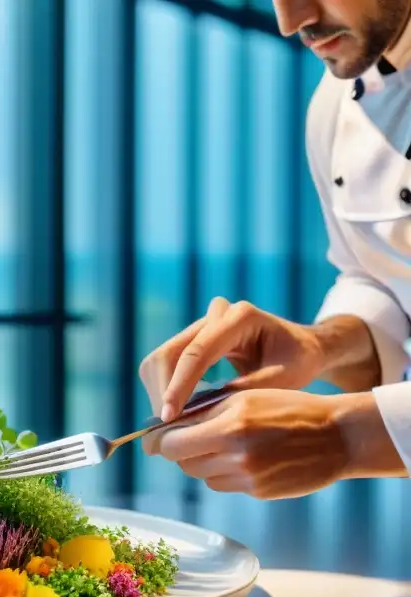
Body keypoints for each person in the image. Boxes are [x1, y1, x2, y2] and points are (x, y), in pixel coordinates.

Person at [139, 0, 411, 500]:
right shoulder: (334, 105)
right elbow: (380, 280)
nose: (291, 21)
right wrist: (321, 346)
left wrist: (346, 435)